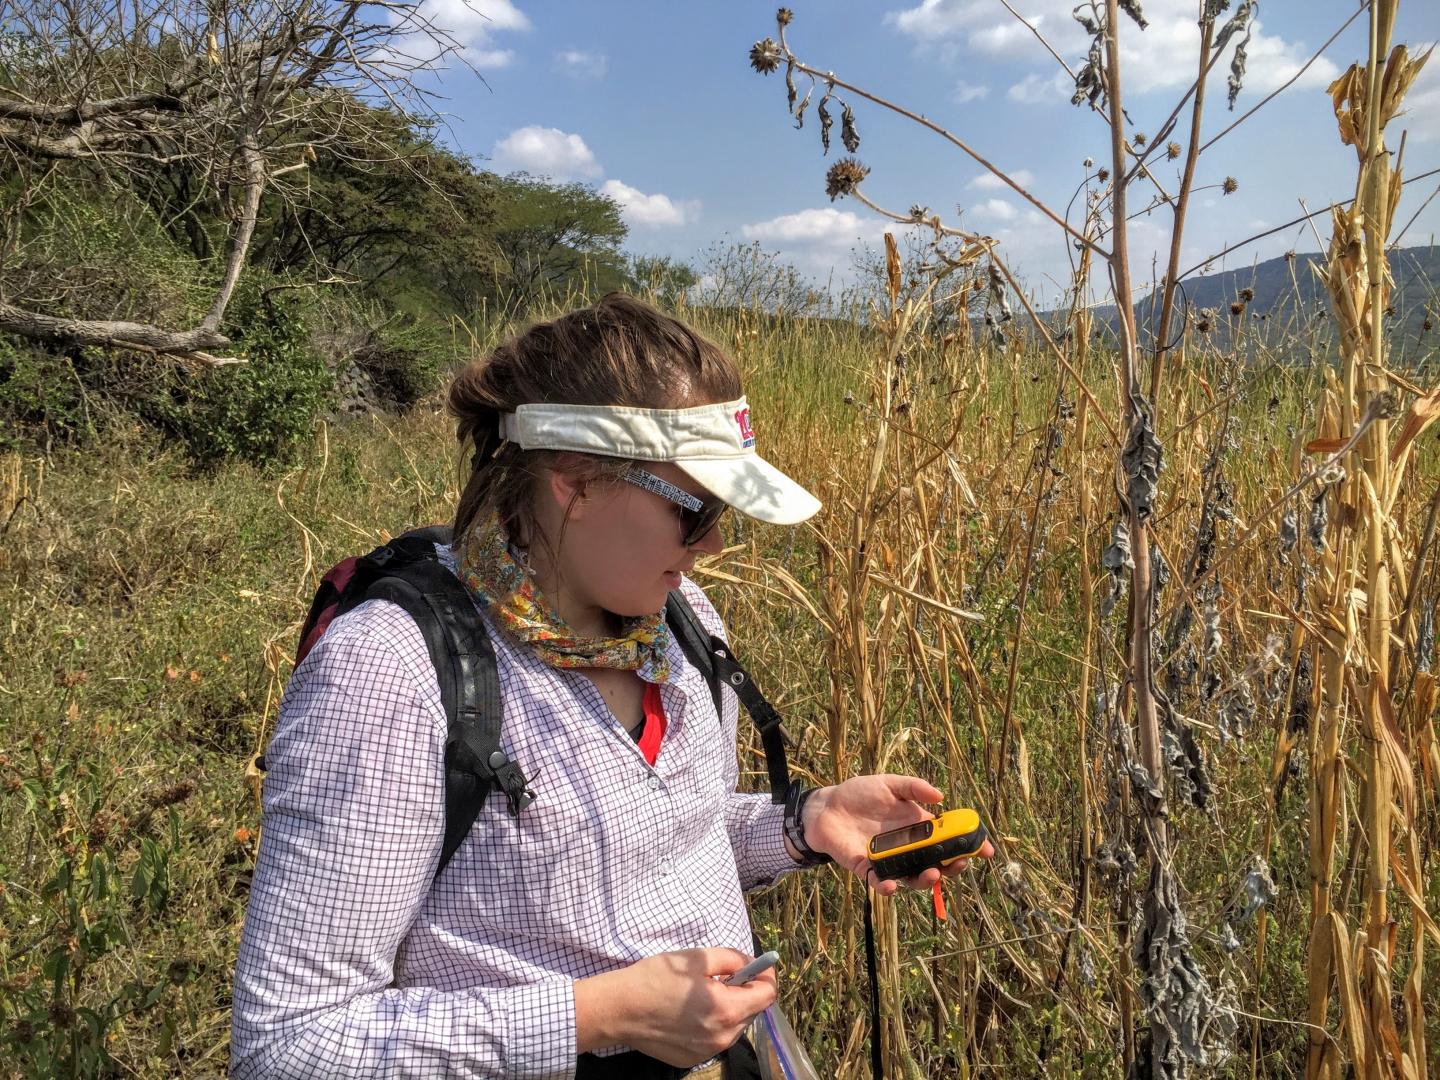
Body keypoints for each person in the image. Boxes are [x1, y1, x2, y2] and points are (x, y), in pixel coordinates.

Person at [230, 294, 992, 1079]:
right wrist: (597, 1016)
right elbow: (288, 1045)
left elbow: (671, 843)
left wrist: (806, 824)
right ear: (577, 482)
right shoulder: (390, 671)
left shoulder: (679, 621)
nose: (716, 544)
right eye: (697, 511)